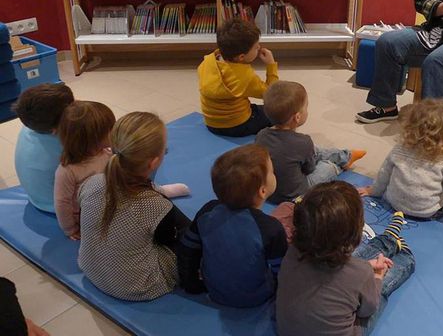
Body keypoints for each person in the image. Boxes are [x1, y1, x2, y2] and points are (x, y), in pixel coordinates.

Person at [276, 181, 415, 336]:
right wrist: (377, 277)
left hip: (287, 330)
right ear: (355, 233)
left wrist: (364, 269)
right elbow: (368, 309)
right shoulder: (360, 273)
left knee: (355, 273)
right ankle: (401, 251)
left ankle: (388, 239)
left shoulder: (293, 250)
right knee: (380, 288)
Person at [78, 112, 191, 301]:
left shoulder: (92, 183)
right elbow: (169, 239)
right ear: (155, 162)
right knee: (189, 239)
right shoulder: (155, 206)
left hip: (89, 268)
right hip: (138, 286)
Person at [178, 144, 288, 307]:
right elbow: (282, 272)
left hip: (213, 290)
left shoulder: (208, 211)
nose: (274, 173)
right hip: (257, 298)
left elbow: (187, 248)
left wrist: (191, 284)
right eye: (272, 171)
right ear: (262, 191)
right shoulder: (271, 228)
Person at [358, 100, 443, 223]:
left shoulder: (399, 149)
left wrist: (373, 191)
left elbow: (384, 174)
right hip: (428, 212)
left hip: (395, 205)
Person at [255, 81, 366, 203]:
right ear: (297, 117)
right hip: (295, 194)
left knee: (314, 149)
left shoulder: (261, 135)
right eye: (306, 107)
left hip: (270, 190)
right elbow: (309, 169)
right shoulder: (303, 142)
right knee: (327, 167)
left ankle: (345, 155)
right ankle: (343, 161)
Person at [198, 18, 278, 137]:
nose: (259, 47)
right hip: (237, 125)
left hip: (212, 123)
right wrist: (271, 65)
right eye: (256, 47)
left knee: (258, 109)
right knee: (278, 112)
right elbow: (271, 94)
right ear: (241, 57)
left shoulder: (207, 61)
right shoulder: (245, 75)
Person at [54, 101, 116, 240]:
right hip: (88, 216)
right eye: (110, 129)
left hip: (108, 202)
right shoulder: (67, 171)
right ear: (92, 139)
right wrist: (70, 228)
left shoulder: (105, 152)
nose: (115, 131)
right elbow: (62, 203)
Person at [13, 83, 75, 212]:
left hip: (36, 198)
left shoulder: (29, 126)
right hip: (61, 208)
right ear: (55, 129)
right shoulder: (67, 142)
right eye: (73, 106)